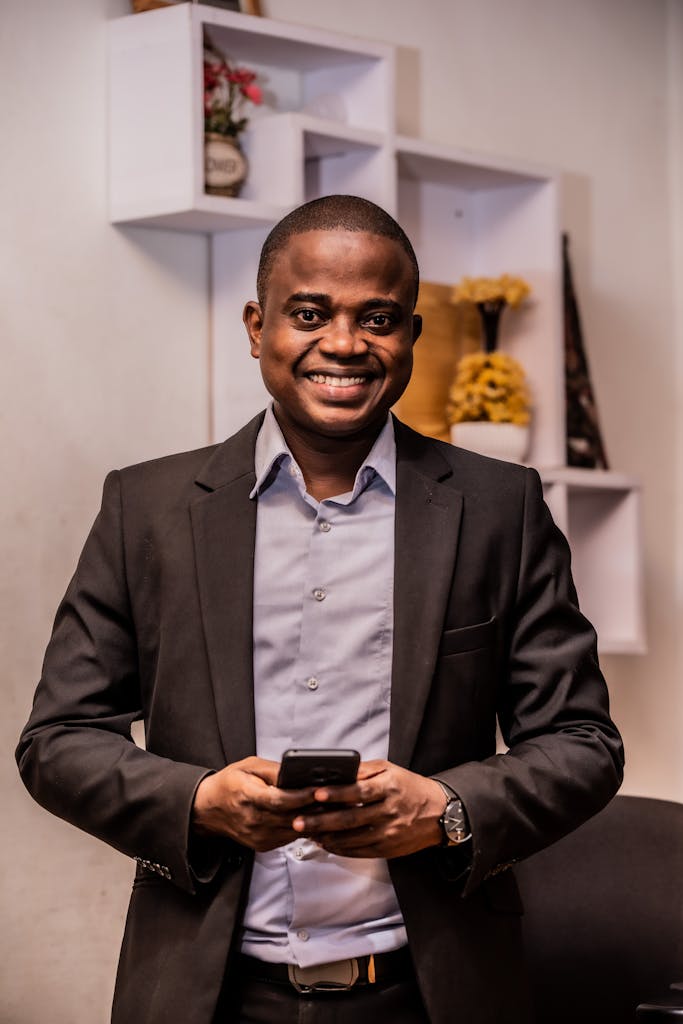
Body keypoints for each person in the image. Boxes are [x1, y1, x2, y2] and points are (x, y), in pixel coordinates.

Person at [17, 195, 624, 1024]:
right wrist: (197, 802)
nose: (343, 343)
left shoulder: (498, 507)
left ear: (409, 333)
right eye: (310, 313)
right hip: (206, 994)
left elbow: (582, 743)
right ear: (257, 325)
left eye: (377, 317)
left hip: (430, 991)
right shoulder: (146, 508)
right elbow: (57, 742)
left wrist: (444, 811)